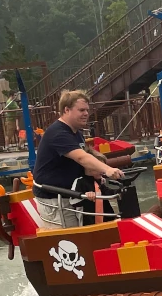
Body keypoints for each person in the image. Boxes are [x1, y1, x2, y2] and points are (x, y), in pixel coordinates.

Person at [33, 89, 124, 228]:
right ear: (67, 110)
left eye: (87, 110)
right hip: (55, 198)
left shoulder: (76, 132)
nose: (86, 113)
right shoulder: (58, 133)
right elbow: (81, 157)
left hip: (72, 195)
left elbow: (85, 160)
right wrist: (107, 169)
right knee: (71, 239)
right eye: (81, 110)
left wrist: (99, 177)